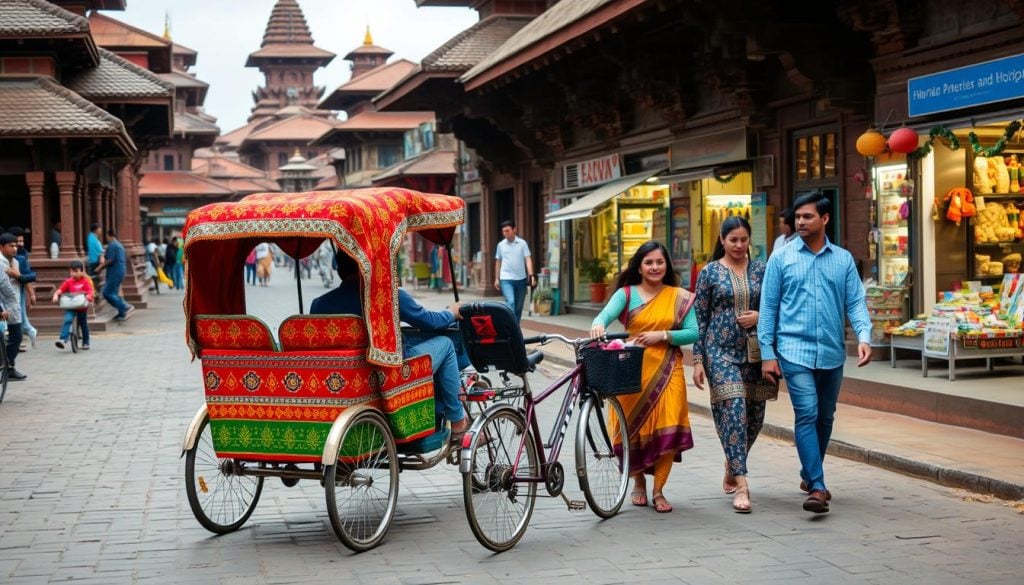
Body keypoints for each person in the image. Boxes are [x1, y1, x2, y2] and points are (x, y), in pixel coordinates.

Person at [758, 192, 872, 514]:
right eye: (797, 217)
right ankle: (819, 487)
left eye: (807, 217)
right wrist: (769, 353)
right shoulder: (781, 258)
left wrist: (864, 336)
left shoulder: (843, 259)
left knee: (825, 416)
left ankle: (809, 473)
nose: (800, 223)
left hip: (832, 352)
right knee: (807, 412)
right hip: (793, 350)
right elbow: (768, 308)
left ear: (824, 218)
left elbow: (855, 303)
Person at [310, 253, 470, 440]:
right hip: (392, 374)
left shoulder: (319, 304)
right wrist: (452, 312)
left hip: (341, 379)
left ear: (339, 271)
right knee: (446, 344)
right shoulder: (388, 296)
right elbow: (430, 322)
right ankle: (458, 423)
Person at [590, 240, 698, 513]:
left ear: (667, 265)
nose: (654, 267)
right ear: (639, 266)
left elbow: (694, 331)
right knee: (632, 427)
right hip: (631, 369)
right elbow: (602, 317)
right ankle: (638, 482)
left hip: (668, 368)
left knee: (670, 421)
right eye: (649, 262)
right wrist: (598, 325)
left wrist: (664, 335)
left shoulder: (679, 296)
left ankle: (659, 490)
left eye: (659, 262)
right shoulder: (626, 294)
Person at [691, 216, 777, 514]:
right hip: (719, 352)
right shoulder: (709, 273)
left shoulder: (763, 270)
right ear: (722, 240)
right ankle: (742, 484)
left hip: (755, 353)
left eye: (743, 240)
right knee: (735, 409)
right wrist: (699, 359)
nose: (739, 245)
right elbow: (699, 319)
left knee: (755, 417)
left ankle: (732, 461)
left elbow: (775, 307)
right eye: (733, 240)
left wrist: (760, 317)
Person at [493, 220, 534, 322]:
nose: (505, 233)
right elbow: (498, 262)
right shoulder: (501, 245)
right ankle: (510, 326)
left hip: (521, 279)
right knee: (510, 302)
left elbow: (528, 259)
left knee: (519, 307)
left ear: (514, 230)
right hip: (506, 279)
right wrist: (496, 279)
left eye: (507, 230)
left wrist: (531, 275)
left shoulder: (522, 243)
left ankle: (515, 328)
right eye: (503, 231)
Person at [0, 233, 26, 380]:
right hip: (5, 305)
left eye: (15, 245)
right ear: (1, 247)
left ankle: (9, 367)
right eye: (11, 246)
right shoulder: (0, 263)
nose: (14, 248)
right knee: (14, 336)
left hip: (11, 305)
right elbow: (4, 287)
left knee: (16, 336)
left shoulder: (14, 261)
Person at [52, 260, 94, 350]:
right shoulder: (68, 282)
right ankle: (63, 339)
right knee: (67, 319)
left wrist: (89, 296)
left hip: (81, 307)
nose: (73, 274)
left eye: (76, 271)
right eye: (71, 271)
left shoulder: (85, 281)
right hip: (71, 306)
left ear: (81, 272)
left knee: (83, 324)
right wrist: (56, 294)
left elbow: (90, 291)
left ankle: (86, 342)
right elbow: (61, 289)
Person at [7, 227, 37, 350]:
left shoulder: (21, 256)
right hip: (11, 290)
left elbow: (26, 277)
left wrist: (31, 293)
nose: (19, 244)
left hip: (17, 289)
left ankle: (26, 333)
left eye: (21, 241)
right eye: (17, 242)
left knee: (18, 315)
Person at [94, 229, 134, 321]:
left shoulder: (112, 246)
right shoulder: (120, 245)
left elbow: (109, 260)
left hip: (114, 272)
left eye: (107, 236)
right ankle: (121, 312)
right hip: (120, 271)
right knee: (114, 293)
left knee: (107, 292)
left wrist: (99, 268)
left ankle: (124, 306)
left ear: (109, 235)